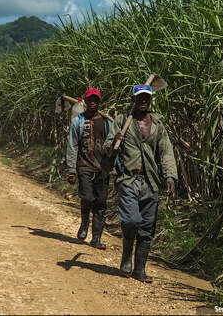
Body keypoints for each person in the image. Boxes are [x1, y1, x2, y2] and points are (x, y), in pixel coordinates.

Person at [103, 83, 177, 283]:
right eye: (140, 98)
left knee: (147, 228)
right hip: (128, 179)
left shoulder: (157, 125)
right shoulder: (122, 121)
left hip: (150, 182)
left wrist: (170, 176)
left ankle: (139, 270)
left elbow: (166, 152)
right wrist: (114, 143)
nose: (144, 101)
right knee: (131, 221)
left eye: (147, 98)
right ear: (133, 100)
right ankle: (126, 255)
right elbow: (108, 148)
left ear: (151, 99)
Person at [65, 87, 112, 249]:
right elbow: (72, 146)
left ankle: (96, 238)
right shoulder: (77, 121)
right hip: (84, 166)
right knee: (87, 198)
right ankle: (84, 224)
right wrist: (71, 170)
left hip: (103, 169)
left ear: (99, 102)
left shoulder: (107, 123)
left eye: (95, 100)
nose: (93, 102)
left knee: (100, 203)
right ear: (85, 102)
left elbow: (113, 146)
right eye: (90, 100)